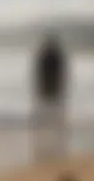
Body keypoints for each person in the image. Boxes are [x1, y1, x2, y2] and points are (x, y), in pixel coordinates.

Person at [32, 34, 68, 162]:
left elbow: (38, 75)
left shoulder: (44, 55)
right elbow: (62, 74)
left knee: (44, 117)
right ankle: (58, 141)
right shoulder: (56, 55)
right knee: (55, 116)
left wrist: (38, 90)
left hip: (46, 91)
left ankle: (42, 141)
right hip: (53, 90)